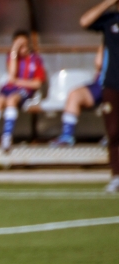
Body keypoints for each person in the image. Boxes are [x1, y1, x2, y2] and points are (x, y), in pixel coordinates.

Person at [0, 31, 46, 156]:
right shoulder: (12, 57)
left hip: (24, 91)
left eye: (24, 45)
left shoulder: (35, 60)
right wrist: (14, 51)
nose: (22, 49)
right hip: (9, 88)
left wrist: (20, 82)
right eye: (19, 45)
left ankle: (7, 136)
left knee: (11, 100)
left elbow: (37, 84)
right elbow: (11, 76)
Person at [80, 0, 119, 191]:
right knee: (113, 133)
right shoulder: (110, 20)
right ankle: (116, 176)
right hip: (112, 84)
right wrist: (107, 3)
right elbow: (84, 22)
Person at [51, 47, 105, 147]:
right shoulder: (110, 40)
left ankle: (114, 136)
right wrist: (105, 44)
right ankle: (67, 136)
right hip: (101, 85)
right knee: (74, 94)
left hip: (115, 87)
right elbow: (99, 63)